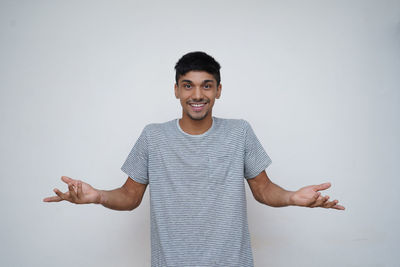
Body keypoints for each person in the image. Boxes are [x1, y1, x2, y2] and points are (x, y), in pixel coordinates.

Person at [44, 51, 345, 267]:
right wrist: (97, 196)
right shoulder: (153, 137)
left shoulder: (239, 132)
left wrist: (292, 196)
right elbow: (129, 196)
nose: (197, 94)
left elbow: (263, 189)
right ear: (176, 90)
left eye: (206, 85)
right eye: (188, 85)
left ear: (218, 90)